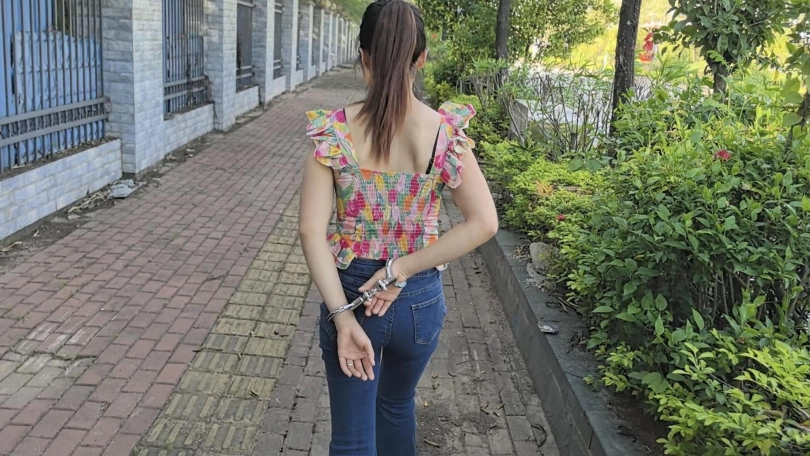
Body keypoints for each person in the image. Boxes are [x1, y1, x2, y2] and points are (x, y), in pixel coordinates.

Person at [298, 1, 498, 454]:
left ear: (363, 55)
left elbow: (311, 231)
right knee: (396, 405)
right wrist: (400, 269)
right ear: (420, 58)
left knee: (352, 438)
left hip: (351, 294)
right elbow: (484, 222)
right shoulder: (444, 133)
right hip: (418, 302)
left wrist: (342, 318)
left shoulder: (334, 132)